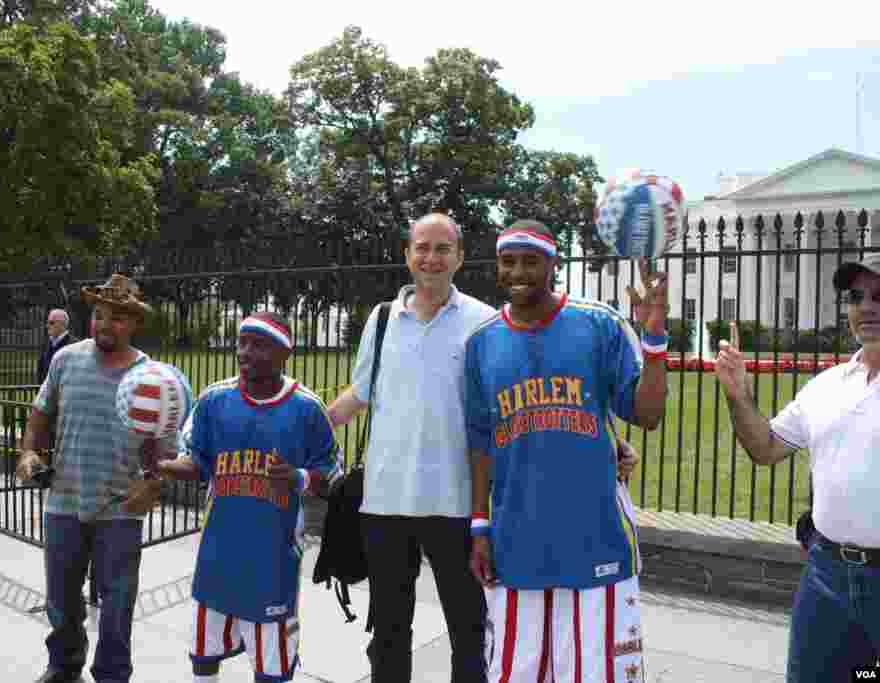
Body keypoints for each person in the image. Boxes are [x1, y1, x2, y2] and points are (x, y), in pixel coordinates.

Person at [466, 220, 669, 683]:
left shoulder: (597, 324)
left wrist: (654, 340)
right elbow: (480, 443)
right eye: (508, 261)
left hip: (596, 537)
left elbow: (647, 414)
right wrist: (479, 526)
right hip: (516, 541)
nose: (518, 271)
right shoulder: (481, 343)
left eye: (531, 261)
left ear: (554, 265)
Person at [324, 212, 497, 683]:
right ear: (407, 255)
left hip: (456, 502)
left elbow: (510, 405)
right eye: (422, 247)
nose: (431, 258)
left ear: (459, 257)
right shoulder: (381, 320)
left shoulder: (484, 322)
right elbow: (358, 394)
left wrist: (610, 441)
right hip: (385, 503)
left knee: (468, 628)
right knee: (389, 631)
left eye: (443, 248)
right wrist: (300, 426)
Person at [715, 252, 880, 682]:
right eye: (857, 296)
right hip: (826, 579)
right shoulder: (826, 386)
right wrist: (738, 396)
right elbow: (765, 448)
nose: (866, 307)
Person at [158, 311, 342, 682]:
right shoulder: (214, 400)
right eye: (242, 342)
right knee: (203, 655)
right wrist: (160, 464)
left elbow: (332, 478)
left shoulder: (306, 408)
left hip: (272, 562)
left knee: (271, 668)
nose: (244, 352)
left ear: (283, 354)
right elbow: (197, 464)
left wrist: (298, 477)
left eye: (257, 345)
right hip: (217, 556)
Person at [15, 274, 164, 683]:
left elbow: (160, 443)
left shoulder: (150, 376)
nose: (105, 325)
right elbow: (40, 414)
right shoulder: (66, 360)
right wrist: (29, 450)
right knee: (61, 599)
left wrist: (152, 481)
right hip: (64, 500)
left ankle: (112, 675)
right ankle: (64, 666)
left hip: (120, 508)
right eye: (99, 315)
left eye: (117, 318)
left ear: (134, 323)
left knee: (117, 604)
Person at [37, 308, 76, 385]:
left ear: (63, 324)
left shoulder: (74, 345)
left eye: (51, 323)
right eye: (47, 322)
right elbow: (41, 371)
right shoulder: (46, 344)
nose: (47, 326)